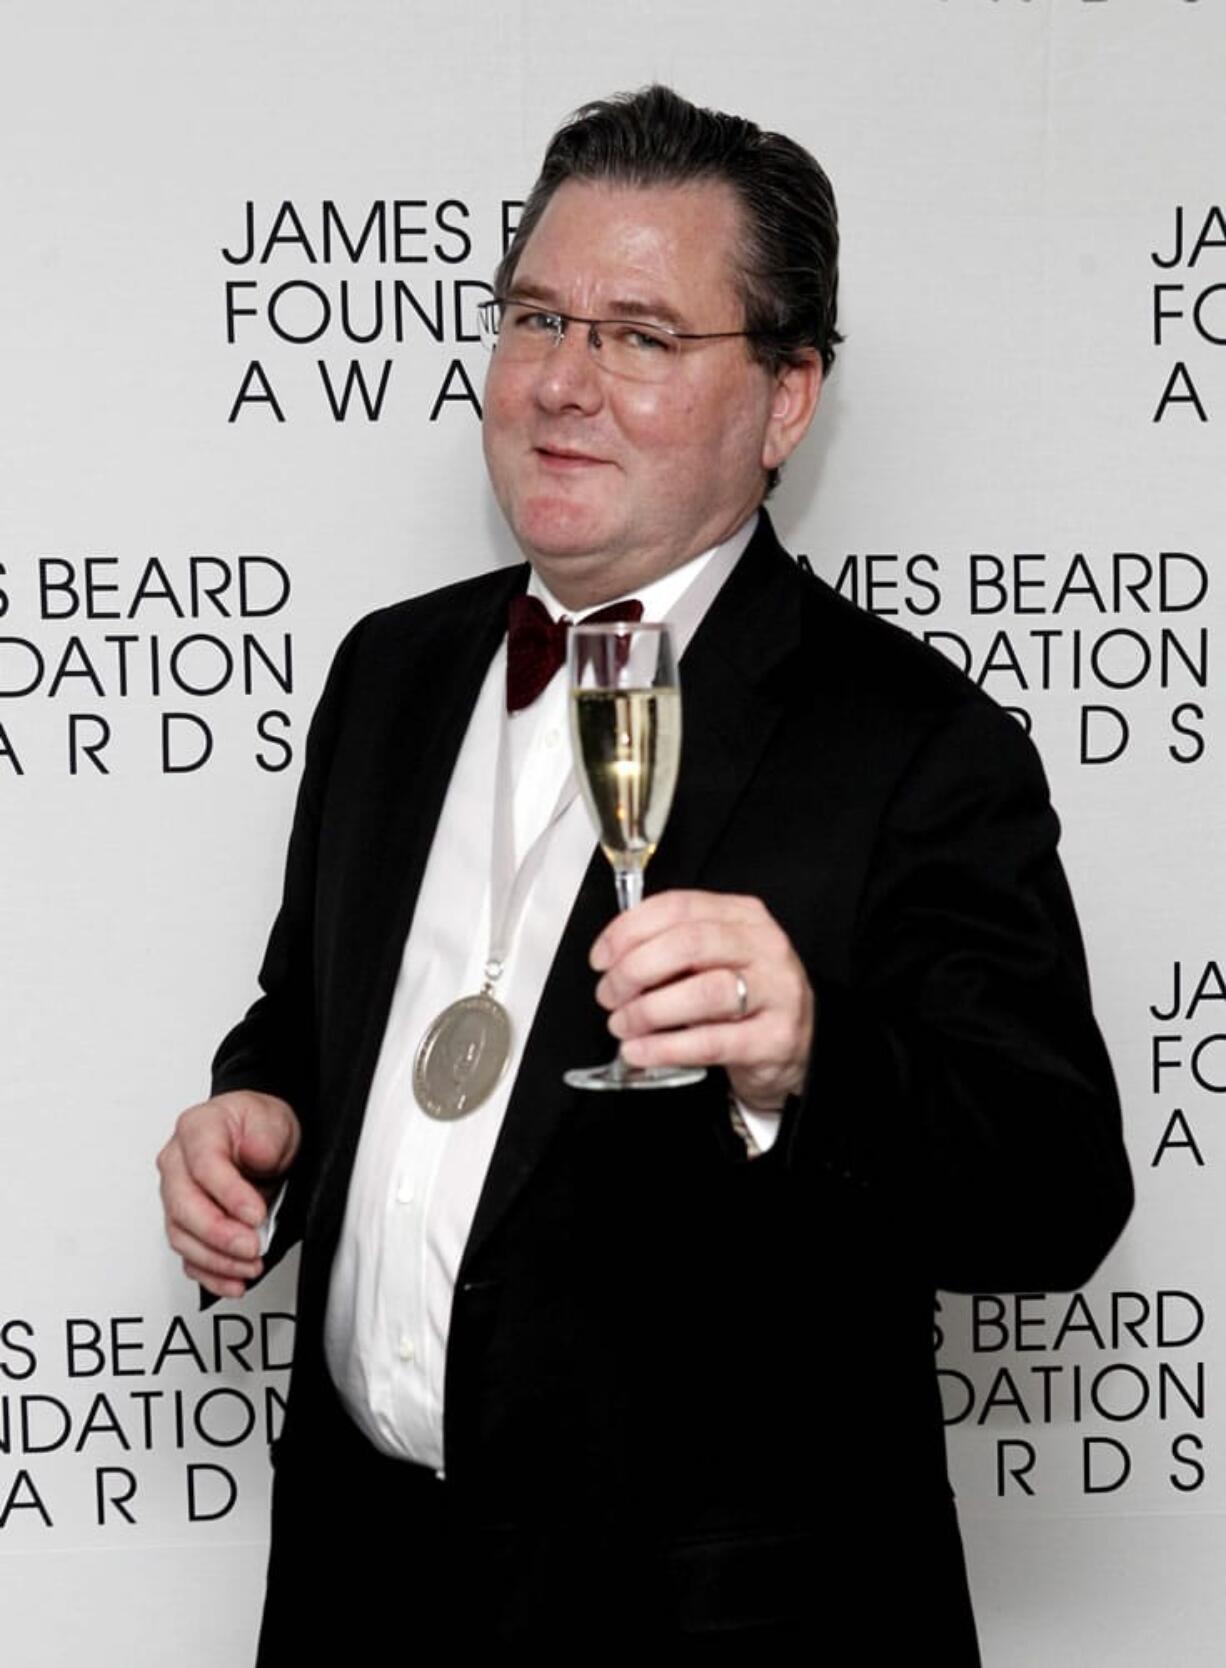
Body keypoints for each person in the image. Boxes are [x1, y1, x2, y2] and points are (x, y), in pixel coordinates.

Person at [158, 86, 1133, 1659]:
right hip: (361, 1592)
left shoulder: (915, 744)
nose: (561, 382)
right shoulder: (390, 675)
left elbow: (1053, 1194)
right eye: (537, 316)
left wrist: (808, 1055)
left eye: (642, 337)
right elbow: (313, 1013)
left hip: (709, 1624)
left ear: (787, 397)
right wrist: (263, 1117)